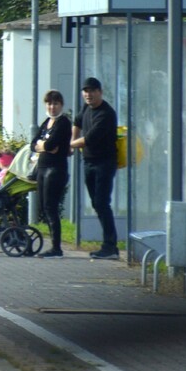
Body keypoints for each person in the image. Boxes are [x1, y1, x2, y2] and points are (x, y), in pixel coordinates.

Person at [71, 77, 120, 259]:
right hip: (88, 162)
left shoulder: (106, 114)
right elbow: (77, 122)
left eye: (92, 91)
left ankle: (110, 246)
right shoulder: (86, 107)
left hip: (104, 163)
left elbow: (89, 138)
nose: (88, 94)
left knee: (101, 203)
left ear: (100, 92)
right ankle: (109, 245)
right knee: (96, 203)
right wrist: (71, 141)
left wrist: (70, 146)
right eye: (85, 91)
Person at [33, 90, 71, 257]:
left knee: (51, 207)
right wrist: (43, 145)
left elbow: (52, 145)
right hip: (42, 168)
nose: (52, 107)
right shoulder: (46, 122)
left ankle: (56, 247)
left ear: (61, 105)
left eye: (55, 103)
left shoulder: (63, 123)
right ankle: (53, 245)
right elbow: (33, 143)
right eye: (49, 103)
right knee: (43, 206)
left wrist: (44, 145)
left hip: (55, 169)